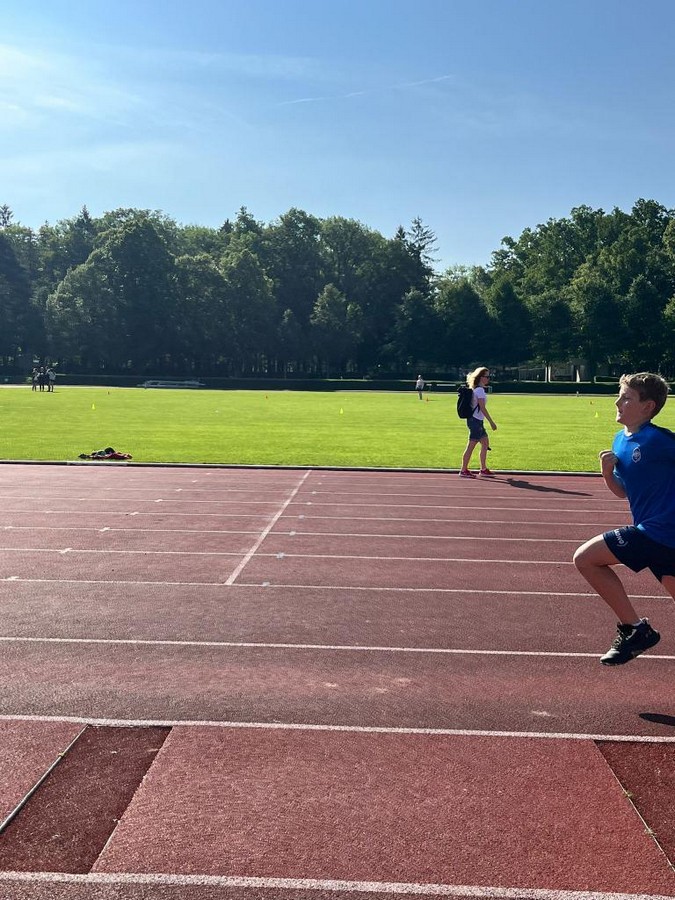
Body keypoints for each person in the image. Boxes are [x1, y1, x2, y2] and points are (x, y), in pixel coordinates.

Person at [573, 372, 670, 665]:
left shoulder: (658, 440)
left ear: (648, 406)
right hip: (660, 539)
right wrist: (607, 473)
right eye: (619, 396)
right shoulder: (619, 440)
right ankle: (637, 631)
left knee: (586, 558)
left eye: (626, 398)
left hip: (659, 531)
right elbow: (623, 491)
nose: (617, 402)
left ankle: (637, 630)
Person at [459, 366, 497, 478]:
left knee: (485, 443)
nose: (488, 379)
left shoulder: (477, 389)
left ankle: (483, 469)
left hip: (477, 421)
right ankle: (463, 470)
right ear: (481, 377)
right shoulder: (479, 390)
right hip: (475, 422)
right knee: (471, 445)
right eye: (487, 376)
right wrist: (491, 422)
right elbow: (483, 408)